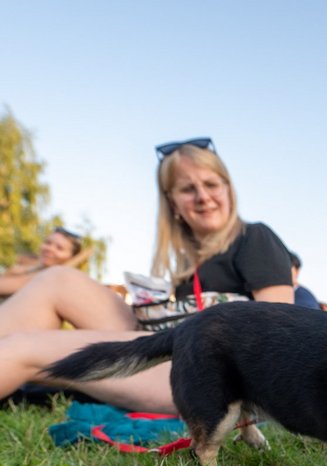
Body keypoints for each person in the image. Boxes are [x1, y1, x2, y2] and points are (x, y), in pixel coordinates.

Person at [0, 138, 294, 412]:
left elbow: (280, 336)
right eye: (188, 189)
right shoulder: (188, 265)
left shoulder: (255, 238)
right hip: (165, 351)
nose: (203, 197)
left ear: (228, 188)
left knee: (25, 345)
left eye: (211, 184)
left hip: (209, 376)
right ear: (173, 203)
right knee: (58, 280)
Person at [0, 226, 88, 297]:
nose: (49, 248)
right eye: (47, 243)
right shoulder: (21, 270)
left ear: (71, 258)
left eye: (59, 248)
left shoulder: (61, 282)